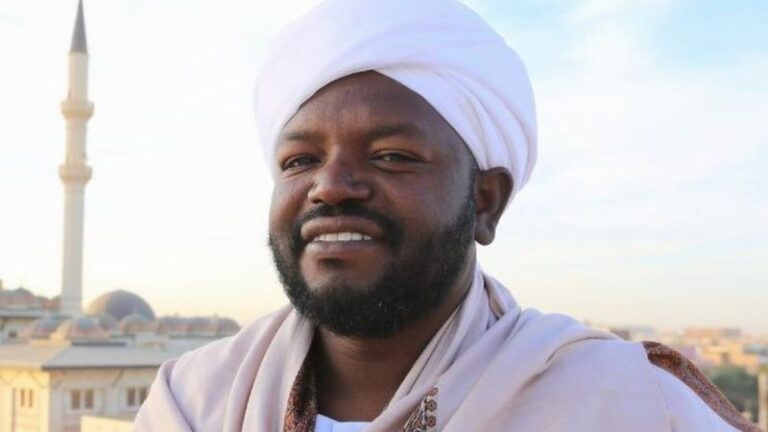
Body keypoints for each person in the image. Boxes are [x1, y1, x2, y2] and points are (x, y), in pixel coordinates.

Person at [135, 1, 759, 431]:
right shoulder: (195, 402)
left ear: (485, 200)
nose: (330, 186)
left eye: (392, 155)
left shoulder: (626, 404)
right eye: (300, 161)